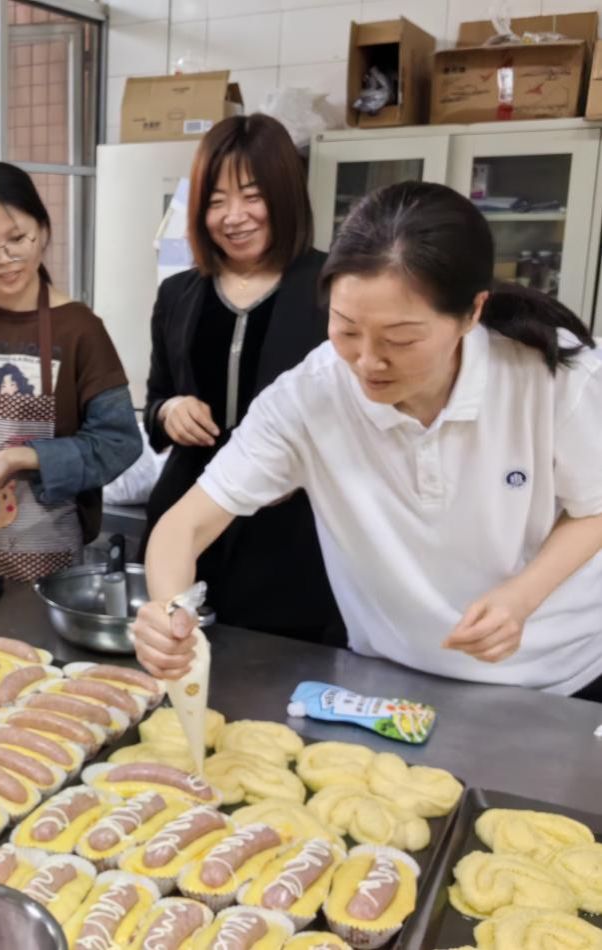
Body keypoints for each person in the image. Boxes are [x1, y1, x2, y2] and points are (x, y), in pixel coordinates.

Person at [132, 181, 602, 698]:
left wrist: (521, 597)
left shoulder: (551, 376)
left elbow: (595, 507)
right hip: (391, 680)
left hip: (562, 682)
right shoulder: (310, 396)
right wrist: (169, 611)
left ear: (472, 313)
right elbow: (186, 525)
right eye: (347, 329)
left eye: (401, 339)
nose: (368, 362)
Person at [143, 114, 343, 646]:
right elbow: (156, 398)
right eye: (215, 201)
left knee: (275, 671)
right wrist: (169, 411)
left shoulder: (332, 290)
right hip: (188, 520)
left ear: (285, 195)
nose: (233, 217)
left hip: (291, 537)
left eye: (252, 196)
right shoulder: (178, 295)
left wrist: (305, 470)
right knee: (179, 655)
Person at [0, 162, 142, 580]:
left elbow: (118, 442)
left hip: (44, 557)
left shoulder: (80, 330)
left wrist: (23, 457)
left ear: (44, 230)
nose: (4, 259)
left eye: (17, 239)